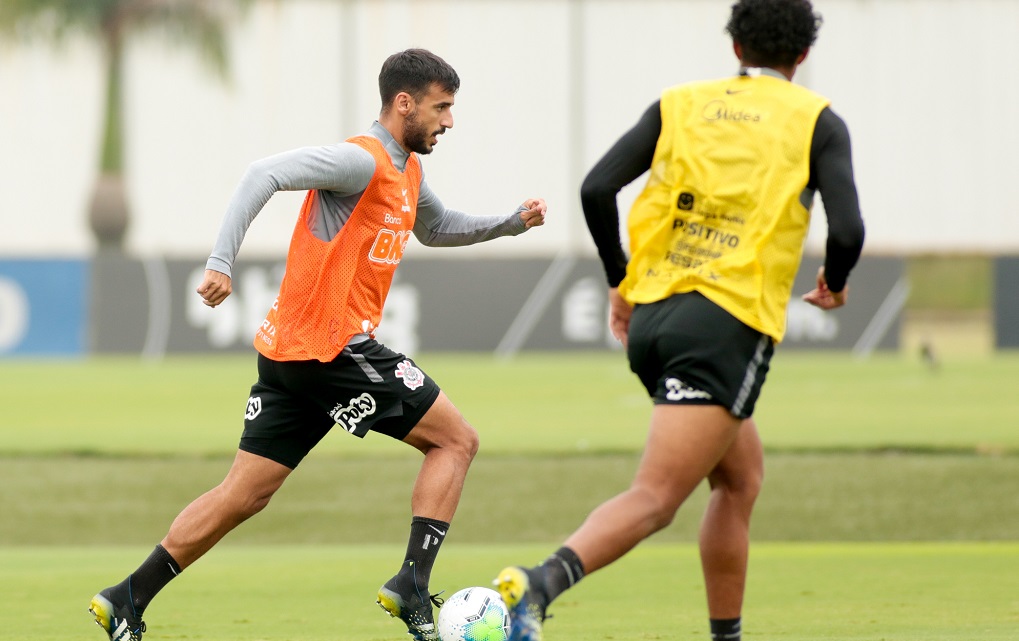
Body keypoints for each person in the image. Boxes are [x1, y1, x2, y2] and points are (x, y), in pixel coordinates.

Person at [88, 48, 547, 641]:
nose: (449, 121)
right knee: (457, 441)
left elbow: (434, 229)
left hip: (290, 358)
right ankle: (411, 583)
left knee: (244, 493)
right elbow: (263, 173)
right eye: (442, 107)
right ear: (403, 103)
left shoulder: (408, 171)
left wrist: (508, 223)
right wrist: (220, 262)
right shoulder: (361, 161)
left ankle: (126, 597)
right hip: (332, 347)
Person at [493, 1, 865, 640]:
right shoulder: (816, 122)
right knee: (656, 498)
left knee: (740, 478)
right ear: (802, 55)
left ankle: (727, 636)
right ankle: (538, 584)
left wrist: (620, 280)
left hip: (654, 321)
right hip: (723, 325)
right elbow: (849, 228)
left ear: (735, 49)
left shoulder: (681, 103)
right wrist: (834, 280)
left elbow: (594, 189)